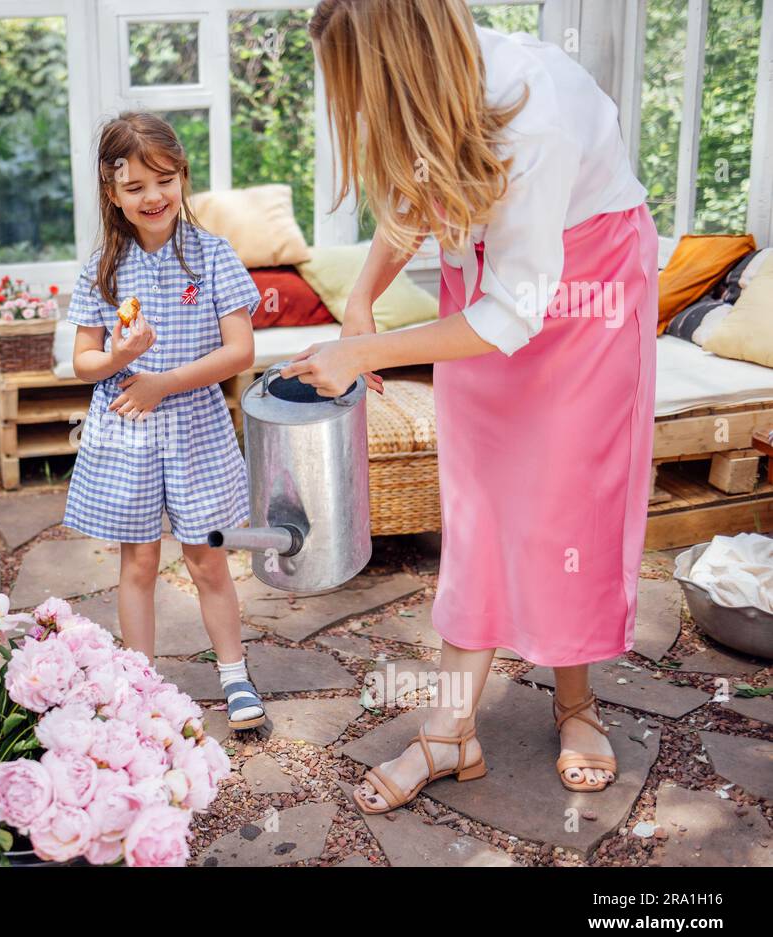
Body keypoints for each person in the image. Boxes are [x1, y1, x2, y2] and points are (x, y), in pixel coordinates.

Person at [284, 0, 657, 809]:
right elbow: (420, 195)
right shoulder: (440, 94)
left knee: (566, 511)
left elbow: (514, 312)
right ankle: (452, 731)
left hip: (585, 293)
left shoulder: (536, 112)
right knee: (480, 504)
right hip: (490, 294)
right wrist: (361, 303)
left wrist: (362, 352)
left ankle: (577, 703)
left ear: (403, 68)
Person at [62, 111, 267, 730]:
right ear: (112, 193)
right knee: (140, 563)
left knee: (208, 559)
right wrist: (119, 359)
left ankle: (234, 675)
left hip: (195, 427)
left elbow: (241, 352)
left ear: (182, 178)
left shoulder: (212, 256)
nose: (153, 197)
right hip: (128, 430)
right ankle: (139, 683)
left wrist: (161, 383)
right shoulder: (103, 266)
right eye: (134, 187)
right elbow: (83, 362)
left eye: (165, 180)